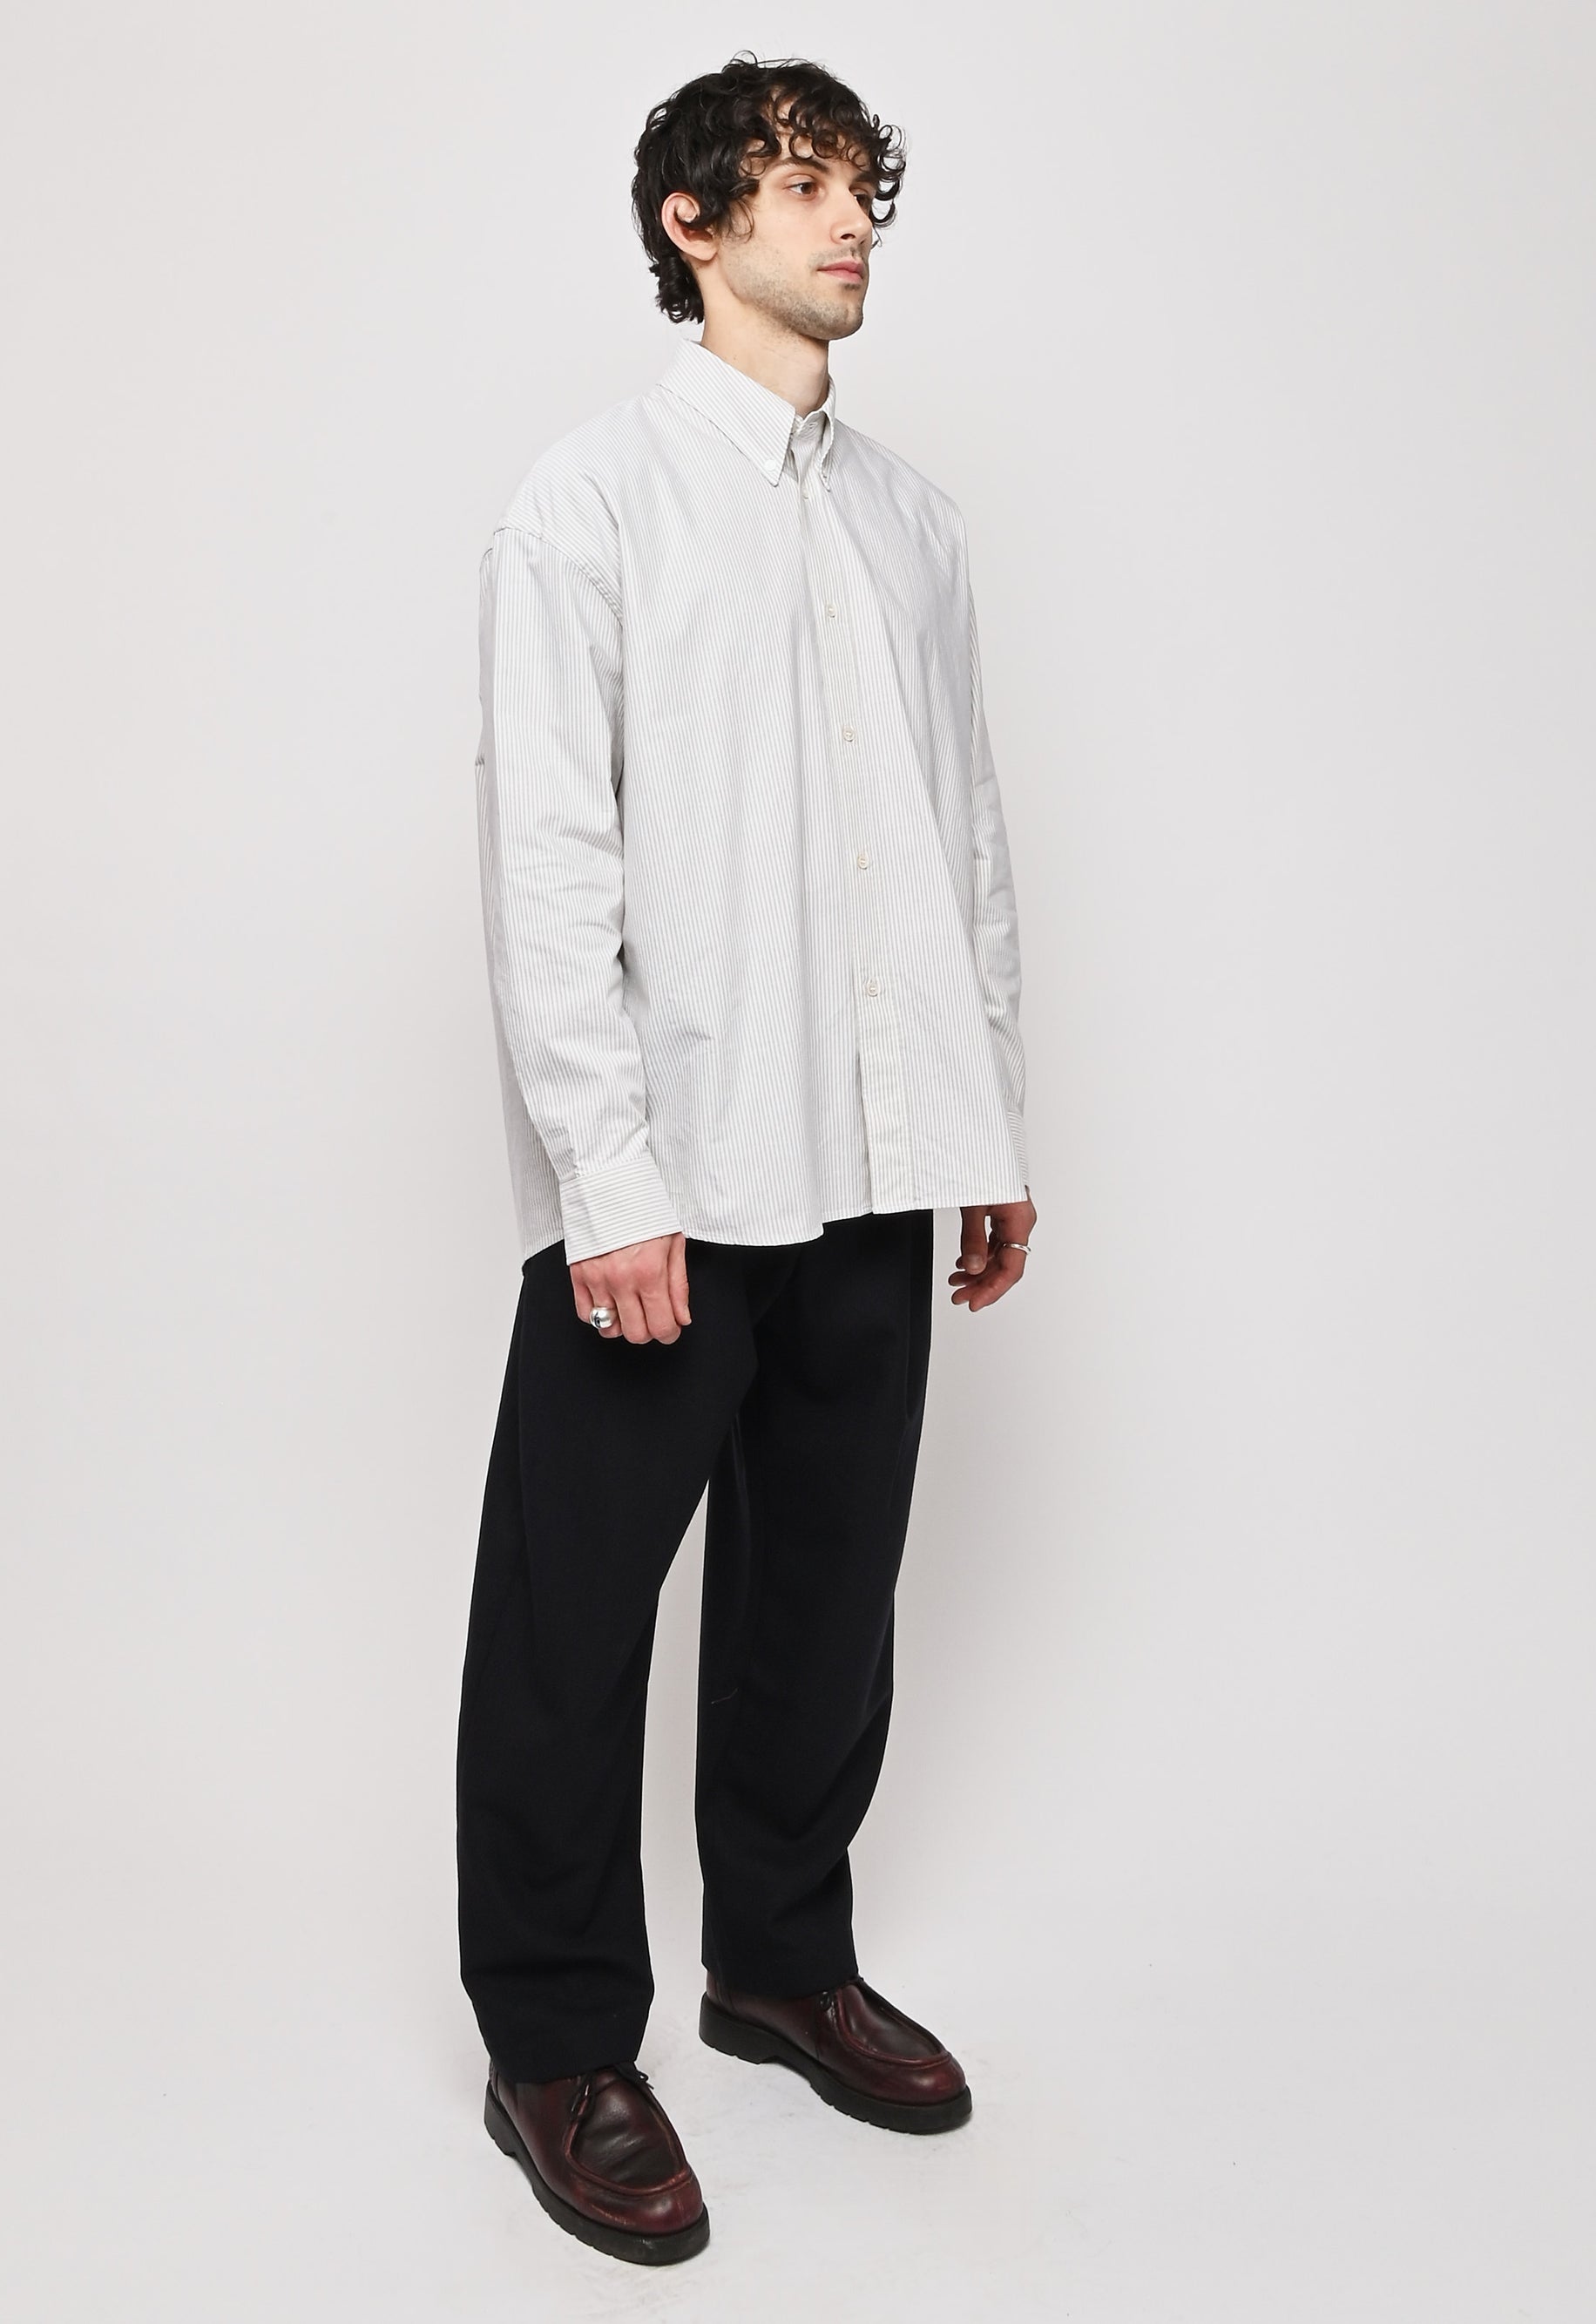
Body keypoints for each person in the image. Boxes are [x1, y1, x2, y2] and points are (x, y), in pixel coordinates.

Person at [456, 51, 1038, 2266]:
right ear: (689, 226)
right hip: (680, 1174)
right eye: (797, 185)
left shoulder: (914, 523)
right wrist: (605, 1174)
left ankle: (779, 1962)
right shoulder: (588, 504)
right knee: (573, 1621)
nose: (848, 219)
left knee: (823, 1591)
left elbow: (962, 836)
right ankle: (552, 2038)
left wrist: (988, 1114)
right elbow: (548, 854)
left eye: (858, 184)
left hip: (879, 1156)